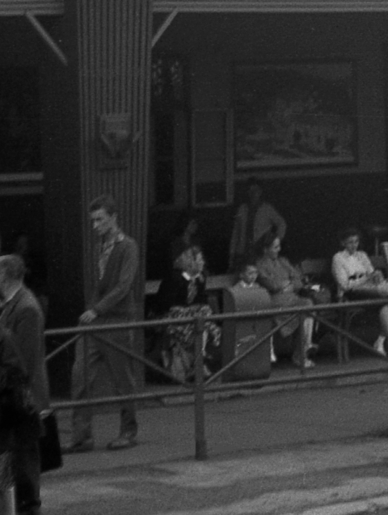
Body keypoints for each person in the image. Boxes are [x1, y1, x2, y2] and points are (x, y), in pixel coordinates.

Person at [67, 197, 142, 453]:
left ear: (113, 217)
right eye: (93, 221)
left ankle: (128, 431)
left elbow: (124, 285)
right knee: (80, 376)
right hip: (97, 321)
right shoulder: (101, 245)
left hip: (117, 320)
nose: (96, 225)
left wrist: (95, 309)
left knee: (123, 379)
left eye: (100, 219)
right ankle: (81, 435)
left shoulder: (128, 246)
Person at [0, 255, 47, 515]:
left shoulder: (26, 308)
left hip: (21, 396)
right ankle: (18, 509)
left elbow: (25, 360)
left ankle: (29, 509)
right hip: (13, 393)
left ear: (5, 277)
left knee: (24, 451)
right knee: (13, 451)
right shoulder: (11, 304)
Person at [253, 234, 322, 368]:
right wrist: (286, 284)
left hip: (292, 299)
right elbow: (271, 285)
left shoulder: (283, 261)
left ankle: (303, 349)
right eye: (275, 247)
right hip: (274, 303)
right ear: (265, 249)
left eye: (279, 246)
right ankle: (301, 353)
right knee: (301, 311)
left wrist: (287, 285)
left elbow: (299, 281)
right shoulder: (260, 264)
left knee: (307, 304)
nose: (278, 250)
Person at [154, 239, 215, 383]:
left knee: (204, 321)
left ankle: (199, 359)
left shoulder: (200, 279)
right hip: (170, 317)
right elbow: (165, 304)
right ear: (189, 261)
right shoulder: (174, 278)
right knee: (198, 321)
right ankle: (197, 362)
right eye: (199, 259)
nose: (202, 262)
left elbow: (202, 302)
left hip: (193, 319)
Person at [331, 228, 388, 358]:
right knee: (383, 303)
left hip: (367, 289)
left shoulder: (362, 255)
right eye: (350, 242)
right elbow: (345, 285)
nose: (353, 245)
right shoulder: (338, 258)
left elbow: (371, 272)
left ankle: (381, 340)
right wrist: (365, 278)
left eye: (356, 242)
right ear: (343, 243)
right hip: (350, 294)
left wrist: (376, 276)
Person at [0, 318, 31, 515]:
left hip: (3, 409)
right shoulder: (5, 336)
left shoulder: (5, 337)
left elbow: (14, 374)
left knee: (2, 464)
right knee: (2, 464)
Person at [228, 180, 287, 273]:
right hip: (242, 252)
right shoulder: (242, 208)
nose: (253, 193)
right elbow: (235, 233)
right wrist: (232, 254)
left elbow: (281, 223)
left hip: (260, 252)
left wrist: (275, 242)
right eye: (250, 190)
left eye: (256, 190)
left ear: (260, 192)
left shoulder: (267, 209)